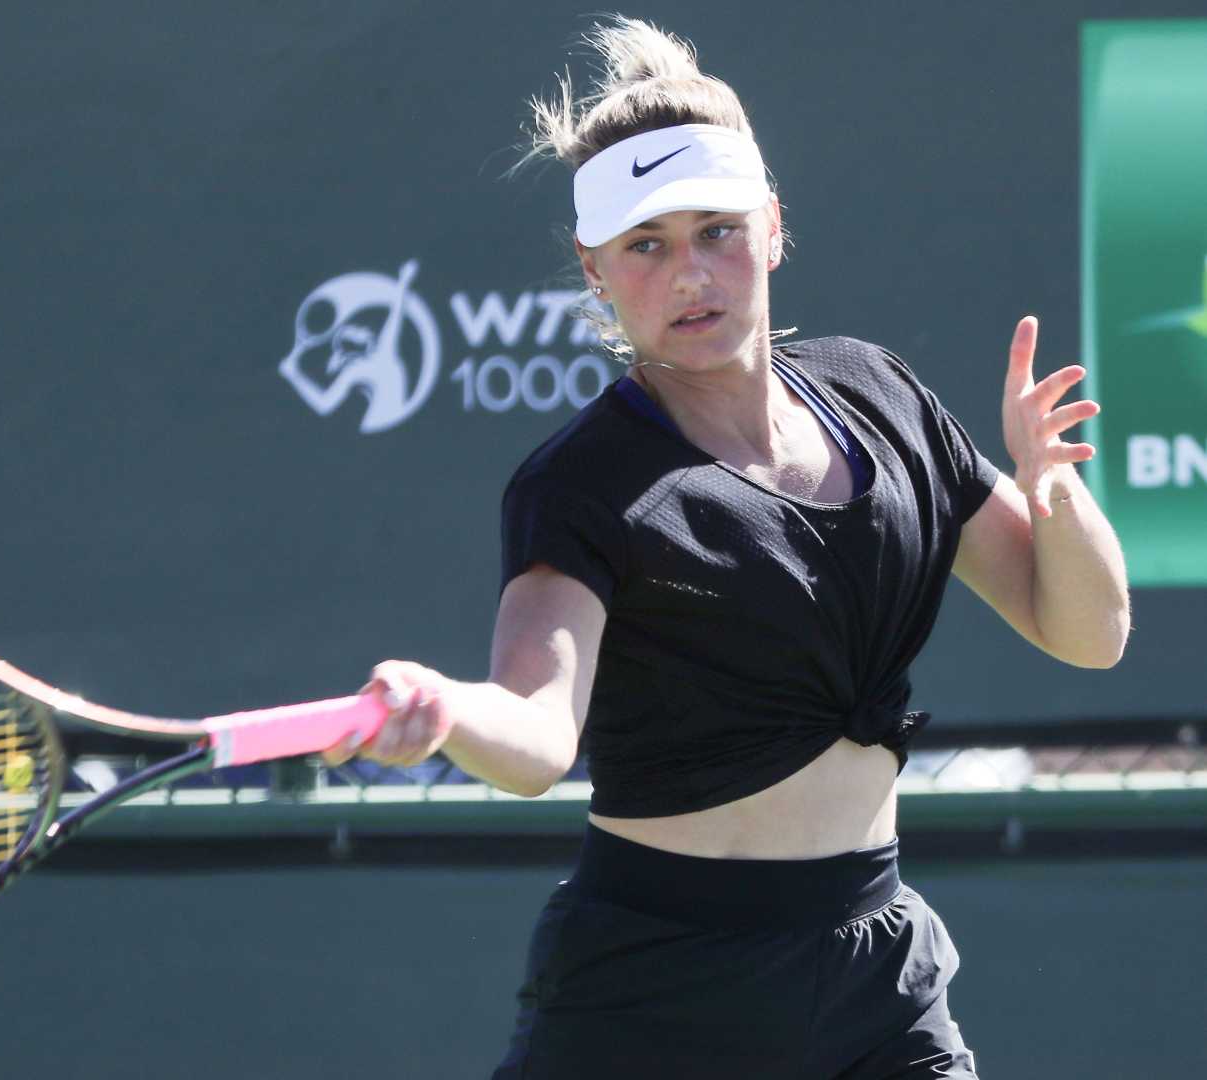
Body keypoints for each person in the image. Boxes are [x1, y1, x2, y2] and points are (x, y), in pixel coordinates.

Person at [324, 16, 1130, 1078]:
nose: (688, 274)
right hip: (655, 992)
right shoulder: (582, 484)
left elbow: (1087, 631)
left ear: (772, 226)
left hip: (874, 973)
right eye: (645, 246)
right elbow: (535, 730)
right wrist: (443, 710)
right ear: (595, 269)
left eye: (715, 230)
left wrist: (1052, 491)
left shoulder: (877, 393)